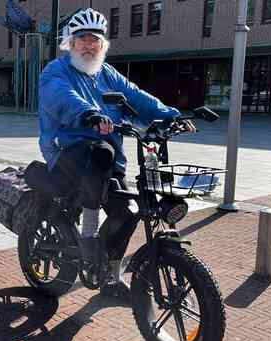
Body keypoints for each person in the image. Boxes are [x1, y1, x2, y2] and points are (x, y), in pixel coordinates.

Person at [37, 8, 195, 295]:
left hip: (106, 157)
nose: (89, 44)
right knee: (101, 151)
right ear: (69, 42)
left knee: (128, 210)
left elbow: (136, 96)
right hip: (67, 149)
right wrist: (89, 114)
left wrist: (171, 116)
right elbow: (60, 96)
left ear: (102, 45)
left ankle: (109, 275)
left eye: (94, 39)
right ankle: (88, 235)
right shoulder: (56, 71)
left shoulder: (107, 73)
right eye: (82, 38)